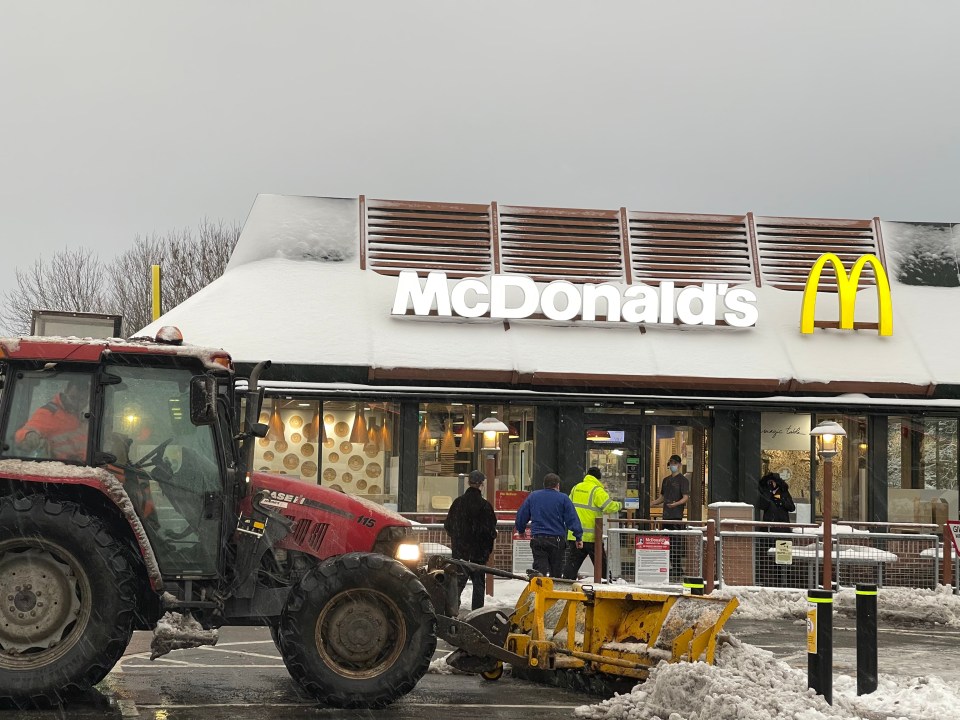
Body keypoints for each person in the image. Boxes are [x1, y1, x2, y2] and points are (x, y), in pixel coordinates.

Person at [443, 470, 498, 610]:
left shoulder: (458, 503)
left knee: (458, 584)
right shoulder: (485, 506)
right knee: (479, 585)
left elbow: (448, 525)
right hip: (479, 554)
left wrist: (458, 539)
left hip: (461, 552)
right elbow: (491, 530)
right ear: (482, 484)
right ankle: (477, 614)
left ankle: (451, 611)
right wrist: (486, 547)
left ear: (468, 482)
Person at [514, 473, 583, 578]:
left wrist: (521, 530)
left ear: (544, 484)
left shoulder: (534, 496)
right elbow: (572, 518)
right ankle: (553, 590)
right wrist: (578, 537)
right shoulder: (563, 498)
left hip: (538, 539)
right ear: (558, 485)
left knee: (539, 571)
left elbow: (521, 515)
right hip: (557, 540)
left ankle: (539, 590)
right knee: (556, 571)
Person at [562, 466, 622, 581]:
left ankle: (566, 582)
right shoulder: (597, 490)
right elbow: (609, 506)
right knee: (600, 563)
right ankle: (605, 582)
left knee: (572, 563)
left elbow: (568, 506)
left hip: (576, 535)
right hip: (593, 536)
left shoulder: (576, 488)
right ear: (598, 478)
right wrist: (619, 505)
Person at [15, 376, 89, 461]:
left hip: (83, 467)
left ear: (87, 400)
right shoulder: (50, 413)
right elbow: (25, 432)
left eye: (82, 400)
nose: (77, 404)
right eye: (73, 398)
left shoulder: (82, 417)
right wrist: (29, 436)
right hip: (61, 467)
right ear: (65, 392)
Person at [651, 454, 690, 580]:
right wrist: (652, 503)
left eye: (674, 463)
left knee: (676, 543)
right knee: (667, 542)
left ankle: (678, 568)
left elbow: (685, 497)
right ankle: (671, 566)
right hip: (666, 515)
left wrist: (676, 504)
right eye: (671, 463)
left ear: (679, 464)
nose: (672, 465)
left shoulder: (683, 480)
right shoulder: (666, 480)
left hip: (676, 516)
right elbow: (662, 497)